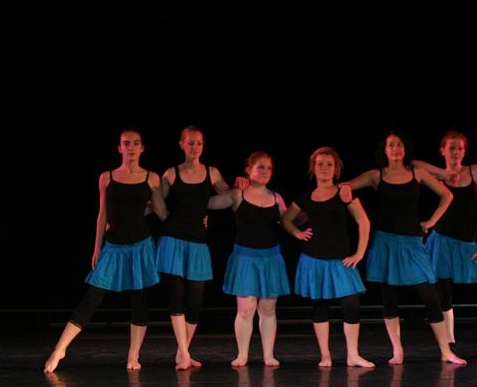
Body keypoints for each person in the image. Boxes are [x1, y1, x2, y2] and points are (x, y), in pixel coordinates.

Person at [44, 128, 168, 373]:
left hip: (141, 246)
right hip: (113, 246)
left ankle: (133, 355)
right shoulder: (106, 177)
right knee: (93, 296)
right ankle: (59, 349)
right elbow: (102, 214)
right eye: (126, 143)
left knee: (139, 300)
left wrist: (198, 217)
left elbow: (162, 212)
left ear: (142, 148)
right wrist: (96, 247)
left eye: (135, 143)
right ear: (119, 148)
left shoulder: (152, 178)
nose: (131, 147)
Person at [340, 130, 466, 365]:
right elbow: (344, 185)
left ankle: (445, 350)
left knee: (430, 295)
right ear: (385, 150)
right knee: (389, 297)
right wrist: (346, 187)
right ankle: (397, 350)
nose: (396, 149)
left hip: (412, 243)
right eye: (391, 145)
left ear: (404, 149)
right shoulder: (376, 175)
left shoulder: (416, 172)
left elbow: (447, 195)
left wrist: (431, 221)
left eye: (399, 144)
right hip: (385, 242)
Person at [412, 131, 477, 359]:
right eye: (452, 148)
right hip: (442, 242)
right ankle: (449, 345)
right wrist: (443, 172)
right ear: (442, 150)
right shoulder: (437, 177)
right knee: (443, 293)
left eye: (460, 148)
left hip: (468, 244)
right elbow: (412, 163)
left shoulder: (475, 170)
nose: (456, 152)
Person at [281, 147, 375, 368]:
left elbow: (364, 222)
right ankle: (325, 355)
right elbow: (285, 219)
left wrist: (359, 253)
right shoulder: (306, 197)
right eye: (320, 164)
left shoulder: (344, 193)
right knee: (320, 306)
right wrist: (297, 233)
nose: (324, 168)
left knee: (351, 305)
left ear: (336, 169)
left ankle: (353, 354)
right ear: (313, 168)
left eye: (329, 164)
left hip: (341, 259)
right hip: (314, 259)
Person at [158, 125, 231, 370]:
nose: (194, 147)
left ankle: (183, 353)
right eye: (190, 142)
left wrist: (243, 183)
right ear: (181, 144)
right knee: (176, 297)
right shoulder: (171, 173)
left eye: (198, 143)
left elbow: (230, 196)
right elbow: (155, 202)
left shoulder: (212, 173)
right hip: (173, 240)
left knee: (195, 302)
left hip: (198, 243)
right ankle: (184, 355)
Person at [208, 151, 290, 367]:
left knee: (268, 309)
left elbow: (290, 220)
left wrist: (314, 210)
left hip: (271, 258)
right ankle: (242, 354)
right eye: (260, 167)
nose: (265, 171)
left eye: (269, 168)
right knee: (245, 309)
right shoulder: (238, 194)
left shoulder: (276, 197)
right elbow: (208, 202)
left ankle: (268, 355)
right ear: (248, 170)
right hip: (245, 258)